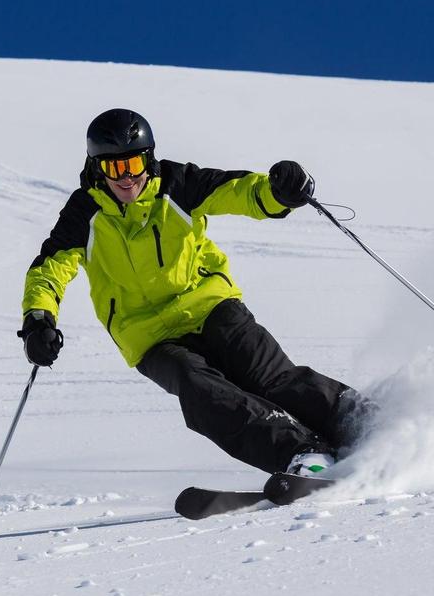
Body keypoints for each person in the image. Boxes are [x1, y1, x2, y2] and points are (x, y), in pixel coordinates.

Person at [20, 109, 369, 477]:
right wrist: (39, 319)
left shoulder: (178, 183)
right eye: (113, 168)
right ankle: (303, 455)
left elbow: (237, 192)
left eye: (134, 163)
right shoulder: (83, 213)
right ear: (95, 168)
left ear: (148, 159)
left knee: (269, 376)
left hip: (210, 304)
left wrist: (277, 193)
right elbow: (50, 269)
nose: (126, 177)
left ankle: (362, 421)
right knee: (202, 390)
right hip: (149, 335)